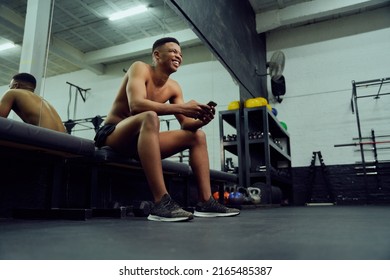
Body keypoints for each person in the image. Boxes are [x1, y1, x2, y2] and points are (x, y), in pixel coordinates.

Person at [95, 37, 240, 222]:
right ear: (157, 55)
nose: (178, 56)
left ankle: (206, 202)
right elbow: (136, 106)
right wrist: (182, 108)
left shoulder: (174, 87)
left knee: (198, 136)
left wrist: (201, 120)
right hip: (114, 134)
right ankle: (160, 203)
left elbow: (186, 124)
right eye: (172, 51)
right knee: (150, 116)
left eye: (180, 53)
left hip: (141, 141)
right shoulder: (139, 68)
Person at [0, 73, 66, 133]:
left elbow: (1, 119)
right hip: (65, 141)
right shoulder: (43, 101)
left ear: (16, 85)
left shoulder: (11, 92)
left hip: (46, 139)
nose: (9, 88)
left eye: (10, 86)